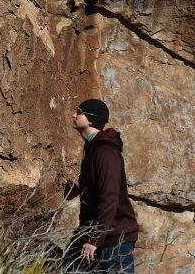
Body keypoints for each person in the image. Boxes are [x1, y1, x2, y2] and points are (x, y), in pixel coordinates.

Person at [66, 98, 139, 273]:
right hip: (97, 237)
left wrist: (94, 239)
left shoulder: (106, 152)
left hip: (114, 241)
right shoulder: (93, 148)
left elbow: (110, 197)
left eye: (79, 112)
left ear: (90, 119)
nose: (73, 115)